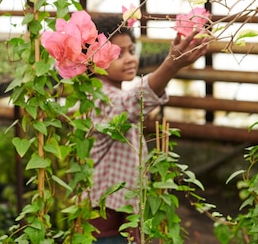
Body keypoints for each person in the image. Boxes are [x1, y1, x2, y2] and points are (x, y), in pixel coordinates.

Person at [88, 13, 210, 243]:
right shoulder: (95, 98)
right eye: (118, 54)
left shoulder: (113, 93)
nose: (130, 59)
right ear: (92, 59)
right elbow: (131, 104)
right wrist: (170, 65)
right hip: (105, 222)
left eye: (131, 51)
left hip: (123, 214)